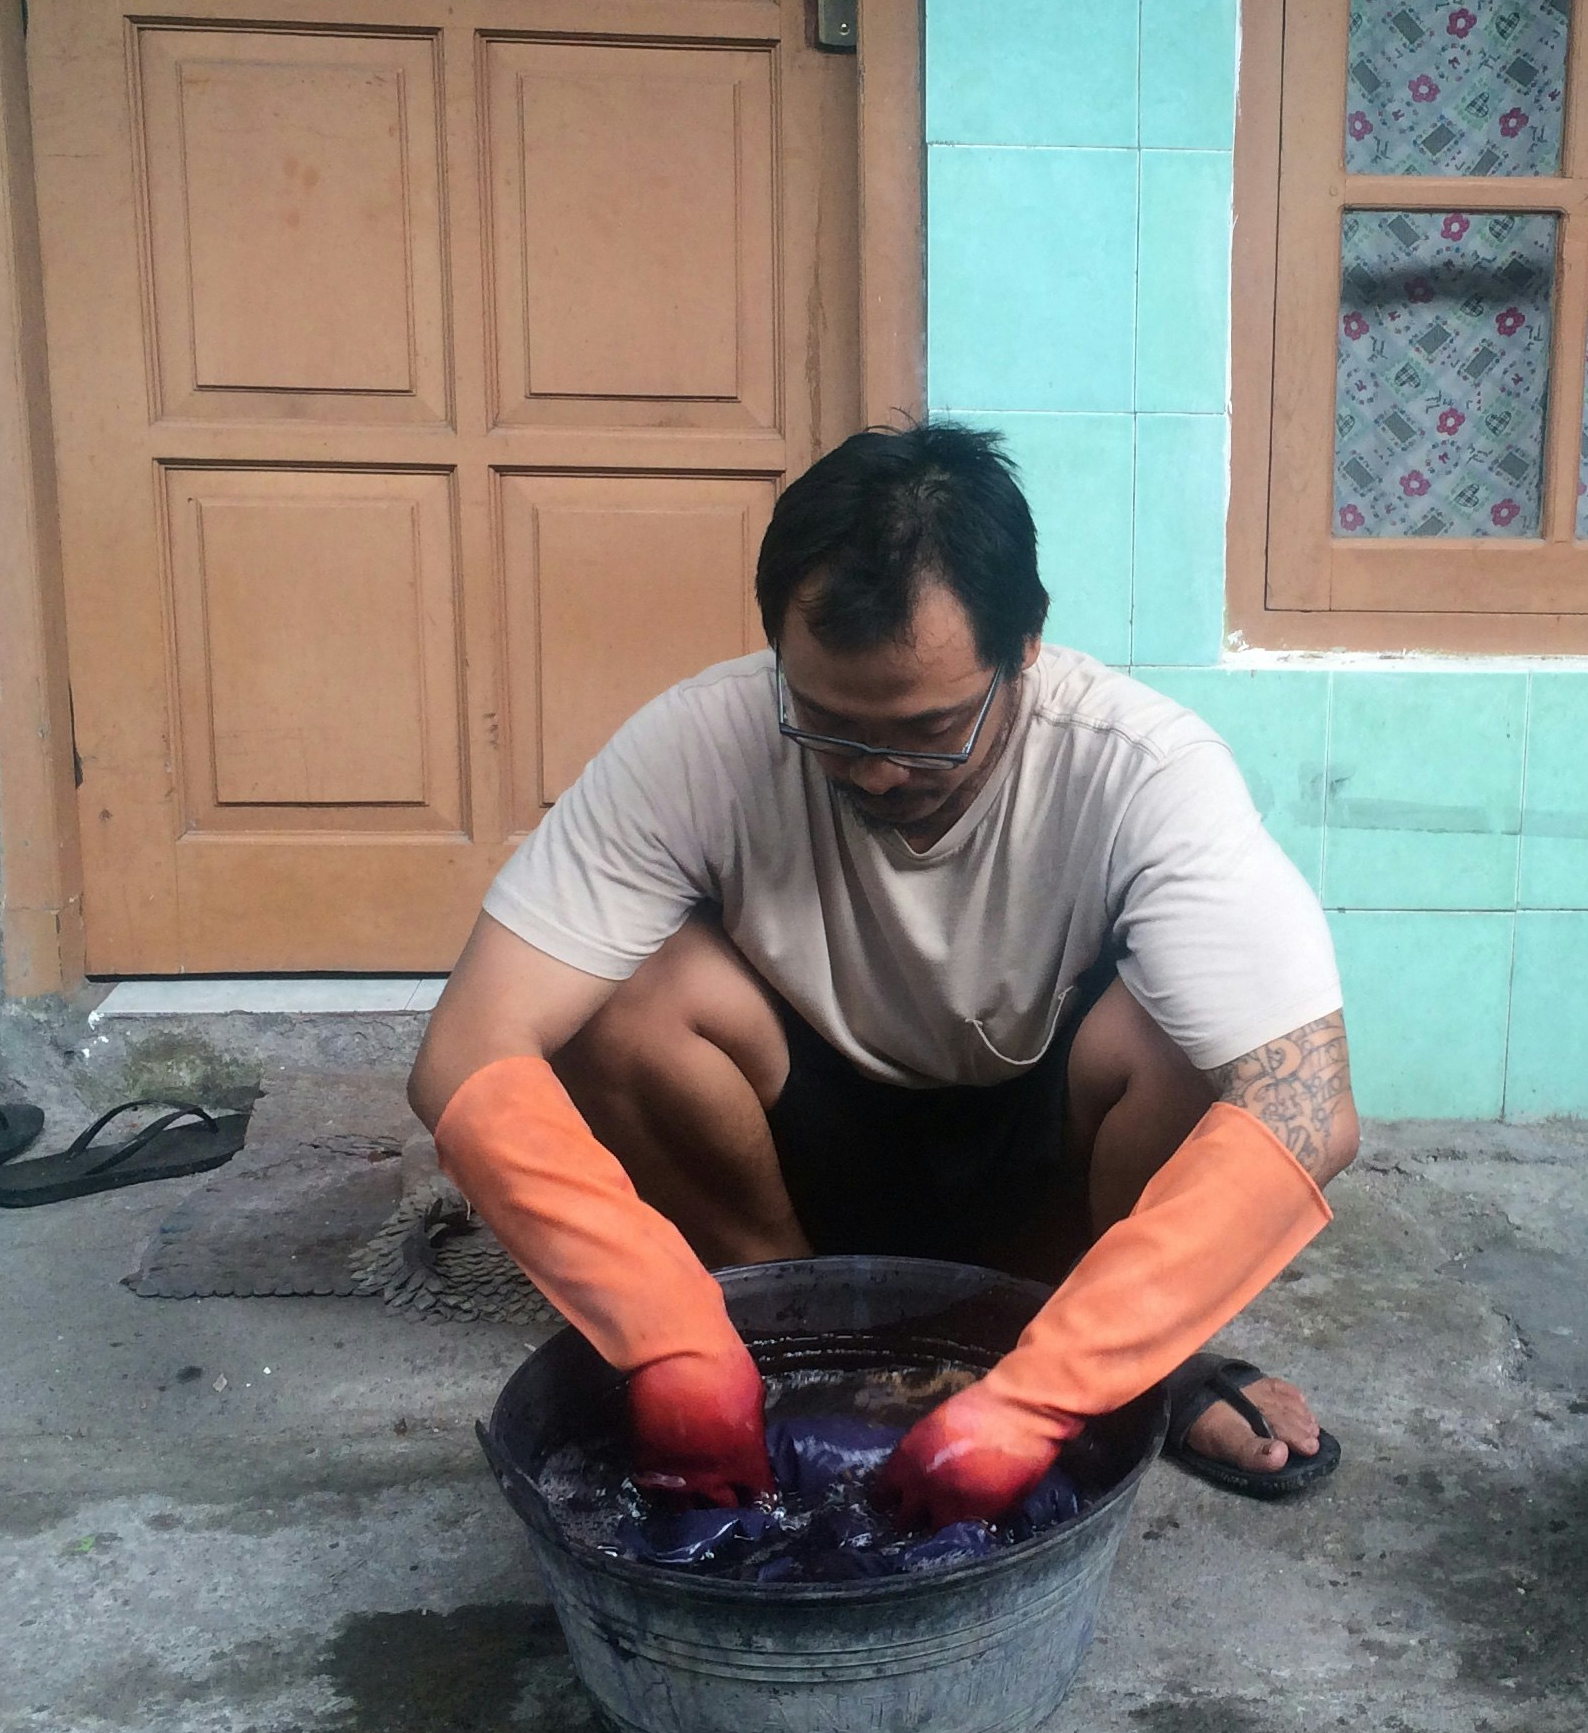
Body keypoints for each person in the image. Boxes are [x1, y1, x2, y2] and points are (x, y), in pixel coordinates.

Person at [406, 422, 1357, 1519]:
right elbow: (471, 1052)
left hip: (1048, 1177)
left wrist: (1041, 1402)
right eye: (826, 724)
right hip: (797, 1175)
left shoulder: (1141, 770)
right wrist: (661, 1332)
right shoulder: (694, 746)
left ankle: (1109, 1366)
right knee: (622, 997)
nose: (875, 772)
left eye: (930, 732)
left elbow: (1309, 1109)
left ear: (1027, 649)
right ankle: (776, 1339)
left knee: (1191, 1047)